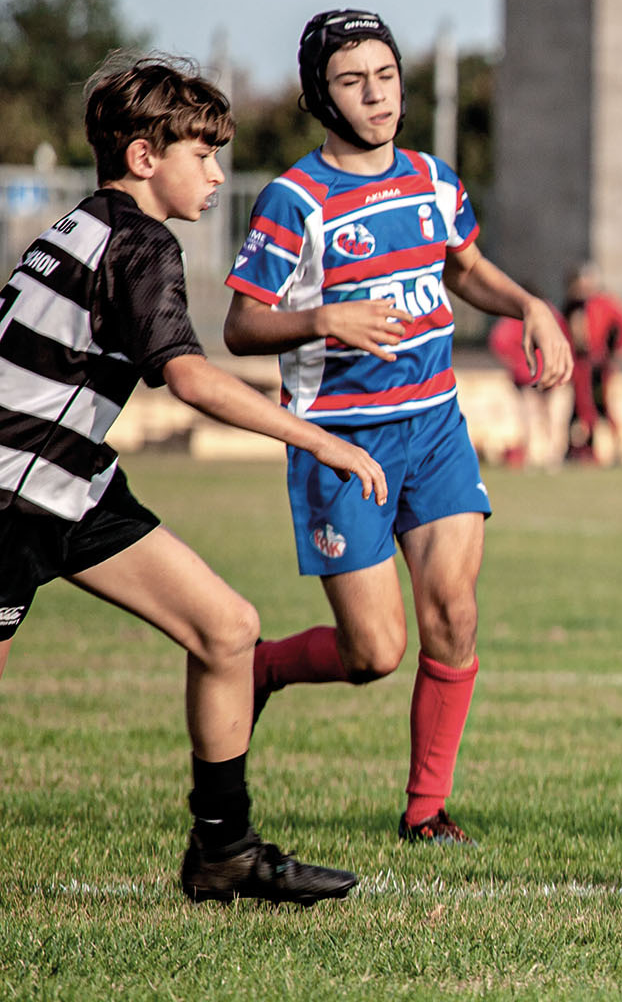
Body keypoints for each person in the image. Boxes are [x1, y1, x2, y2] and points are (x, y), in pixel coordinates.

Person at [0, 56, 386, 903]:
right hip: (11, 495)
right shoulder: (140, 240)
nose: (216, 173)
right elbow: (192, 379)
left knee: (226, 629)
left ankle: (223, 850)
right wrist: (321, 441)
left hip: (70, 484)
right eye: (201, 155)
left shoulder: (82, 226)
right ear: (145, 158)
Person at [225, 10, 574, 844]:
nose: (376, 93)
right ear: (322, 95)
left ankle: (425, 811)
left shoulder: (431, 178)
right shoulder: (294, 199)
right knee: (373, 651)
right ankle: (266, 665)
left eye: (385, 74)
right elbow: (240, 327)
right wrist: (322, 320)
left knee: (454, 609)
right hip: (341, 445)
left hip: (434, 426)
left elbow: (464, 267)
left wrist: (530, 305)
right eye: (353, 79)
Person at [563, 264, 622, 464]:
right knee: (582, 409)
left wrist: (616, 351)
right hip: (580, 366)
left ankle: (616, 449)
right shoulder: (574, 305)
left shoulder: (604, 304)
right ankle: (585, 450)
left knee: (603, 407)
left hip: (599, 366)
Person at [489, 298, 567, 471]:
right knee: (535, 417)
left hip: (543, 375)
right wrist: (517, 364)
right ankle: (538, 456)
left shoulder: (538, 316)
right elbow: (500, 342)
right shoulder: (528, 317)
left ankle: (549, 455)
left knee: (544, 417)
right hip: (532, 376)